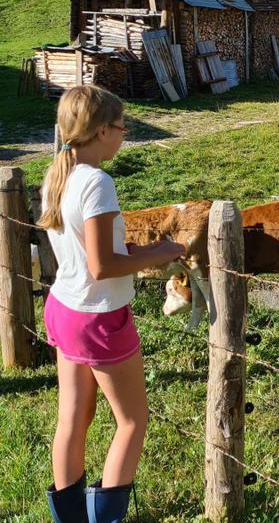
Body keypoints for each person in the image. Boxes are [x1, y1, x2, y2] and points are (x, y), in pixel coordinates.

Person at [39, 85, 185, 523]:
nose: (124, 134)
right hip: (99, 317)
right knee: (131, 422)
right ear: (102, 130)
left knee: (72, 420)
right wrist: (160, 254)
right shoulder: (97, 182)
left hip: (64, 307)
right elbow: (103, 266)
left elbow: (86, 254)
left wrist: (136, 252)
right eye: (122, 127)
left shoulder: (56, 174)